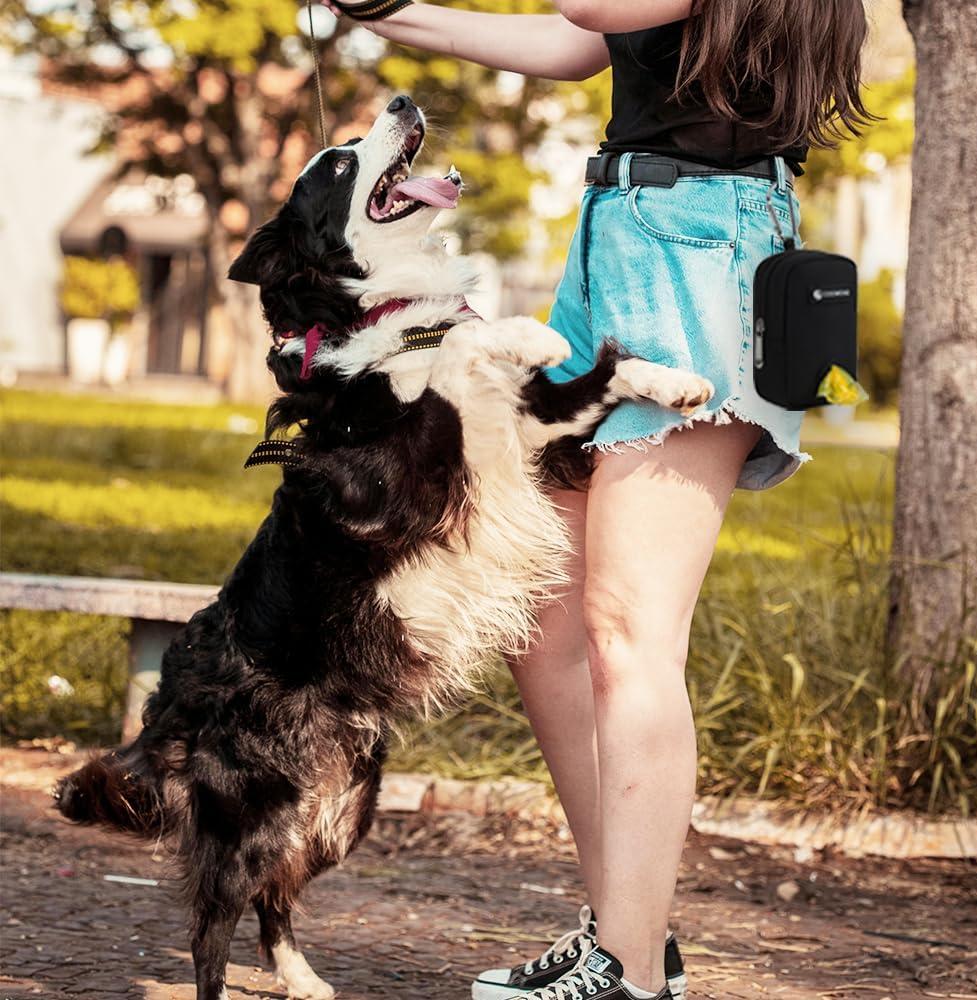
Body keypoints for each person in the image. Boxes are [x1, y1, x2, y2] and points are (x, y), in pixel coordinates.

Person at [323, 2, 872, 998]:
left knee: (629, 628)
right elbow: (572, 44)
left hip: (697, 253)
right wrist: (390, 12)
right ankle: (629, 930)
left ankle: (628, 973)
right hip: (620, 240)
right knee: (545, 614)